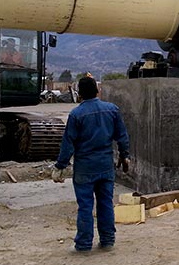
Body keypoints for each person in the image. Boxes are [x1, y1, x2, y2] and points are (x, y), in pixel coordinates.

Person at [52, 76, 131, 252]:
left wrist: (60, 166)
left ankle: (84, 245)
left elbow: (68, 143)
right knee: (105, 203)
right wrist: (125, 156)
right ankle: (108, 241)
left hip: (84, 168)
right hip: (105, 165)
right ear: (97, 90)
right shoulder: (112, 109)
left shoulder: (76, 114)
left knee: (85, 206)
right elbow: (122, 136)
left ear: (79, 94)